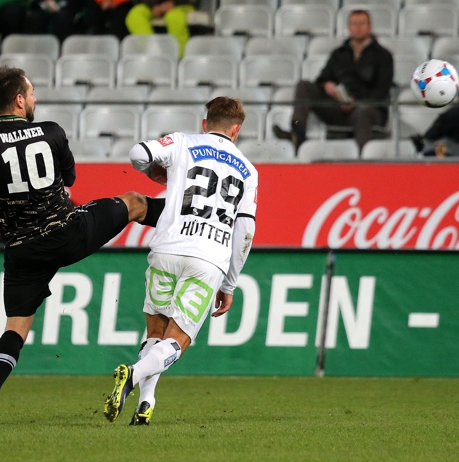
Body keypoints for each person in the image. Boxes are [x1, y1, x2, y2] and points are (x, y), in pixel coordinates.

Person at [0, 65, 164, 426]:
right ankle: (194, 215)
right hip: (68, 232)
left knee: (15, 327)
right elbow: (69, 177)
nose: (35, 98)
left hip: (23, 251)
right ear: (20, 99)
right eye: (32, 93)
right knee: (134, 201)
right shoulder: (51, 131)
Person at [103, 96, 258, 425]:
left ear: (205, 124)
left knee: (155, 333)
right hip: (209, 257)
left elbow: (138, 154)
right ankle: (132, 376)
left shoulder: (183, 142)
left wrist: (162, 176)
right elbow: (245, 231)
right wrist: (229, 283)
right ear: (236, 130)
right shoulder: (248, 170)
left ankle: (146, 403)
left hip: (167, 247)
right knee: (177, 339)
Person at [273, 9, 393, 152]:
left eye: (362, 23)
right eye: (354, 23)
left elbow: (381, 92)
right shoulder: (339, 53)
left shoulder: (383, 56)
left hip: (369, 109)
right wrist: (326, 85)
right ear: (349, 27)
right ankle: (297, 135)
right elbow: (322, 78)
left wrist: (356, 101)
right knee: (304, 86)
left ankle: (363, 161)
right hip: (339, 108)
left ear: (370, 27)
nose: (358, 27)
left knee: (362, 112)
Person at [125, 0, 196, 58]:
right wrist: (154, 6)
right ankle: (153, 54)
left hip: (180, 5)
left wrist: (173, 3)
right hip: (152, 5)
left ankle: (180, 58)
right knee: (135, 15)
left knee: (174, 18)